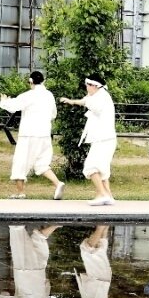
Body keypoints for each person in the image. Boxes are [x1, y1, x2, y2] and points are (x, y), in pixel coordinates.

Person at [0, 71, 64, 200]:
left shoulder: (28, 95)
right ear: (43, 81)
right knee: (42, 163)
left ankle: (20, 192)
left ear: (31, 81)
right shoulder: (49, 95)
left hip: (28, 134)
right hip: (44, 134)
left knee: (20, 162)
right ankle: (58, 183)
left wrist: (4, 101)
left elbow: (13, 106)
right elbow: (53, 114)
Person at [60, 76, 118, 205]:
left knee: (91, 167)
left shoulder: (101, 97)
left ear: (95, 86)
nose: (86, 87)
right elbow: (84, 101)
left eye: (88, 85)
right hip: (104, 139)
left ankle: (102, 194)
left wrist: (81, 101)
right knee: (102, 169)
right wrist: (71, 101)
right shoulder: (98, 96)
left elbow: (91, 104)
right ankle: (108, 196)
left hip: (104, 140)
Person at [0, 224, 58, 298]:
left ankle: (56, 225)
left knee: (39, 240)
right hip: (24, 272)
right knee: (19, 244)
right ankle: (17, 223)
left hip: (39, 273)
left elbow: (47, 285)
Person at [60, 226, 112, 298]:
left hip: (98, 279)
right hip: (99, 279)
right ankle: (101, 226)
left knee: (100, 248)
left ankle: (105, 224)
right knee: (87, 249)